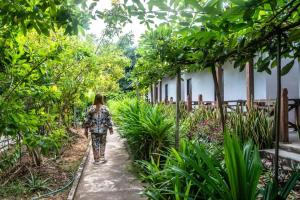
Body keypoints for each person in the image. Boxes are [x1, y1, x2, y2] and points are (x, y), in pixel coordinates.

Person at [83, 94, 113, 164]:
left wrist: (86, 130)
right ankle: (102, 158)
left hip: (94, 130)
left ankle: (96, 159)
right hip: (103, 129)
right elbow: (109, 119)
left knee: (95, 144)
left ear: (95, 99)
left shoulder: (91, 109)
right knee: (102, 143)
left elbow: (87, 120)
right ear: (102, 99)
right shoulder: (105, 109)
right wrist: (111, 128)